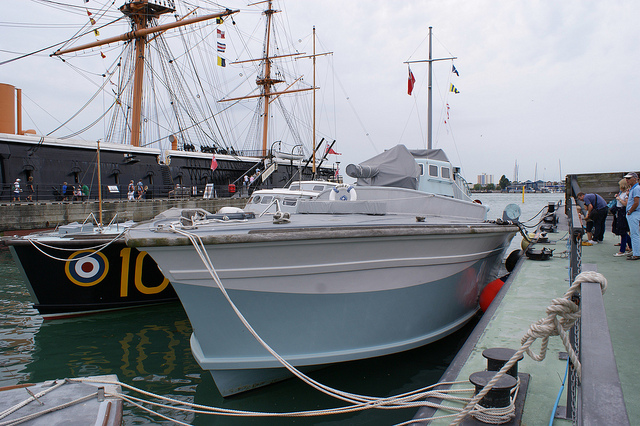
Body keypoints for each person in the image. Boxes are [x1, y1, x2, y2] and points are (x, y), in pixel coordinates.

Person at [613, 178, 631, 256]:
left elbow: (626, 204)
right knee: (623, 232)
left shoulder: (626, 194)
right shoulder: (622, 193)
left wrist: (619, 199)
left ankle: (622, 250)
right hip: (619, 212)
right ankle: (631, 246)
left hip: (622, 212)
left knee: (623, 231)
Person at [624, 172, 640, 260]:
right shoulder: (633, 189)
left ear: (635, 178)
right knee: (634, 234)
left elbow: (636, 202)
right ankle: (636, 252)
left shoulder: (636, 188)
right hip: (633, 213)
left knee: (634, 234)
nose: (627, 180)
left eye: (629, 178)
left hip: (634, 213)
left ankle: (637, 254)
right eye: (626, 178)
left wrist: (630, 211)